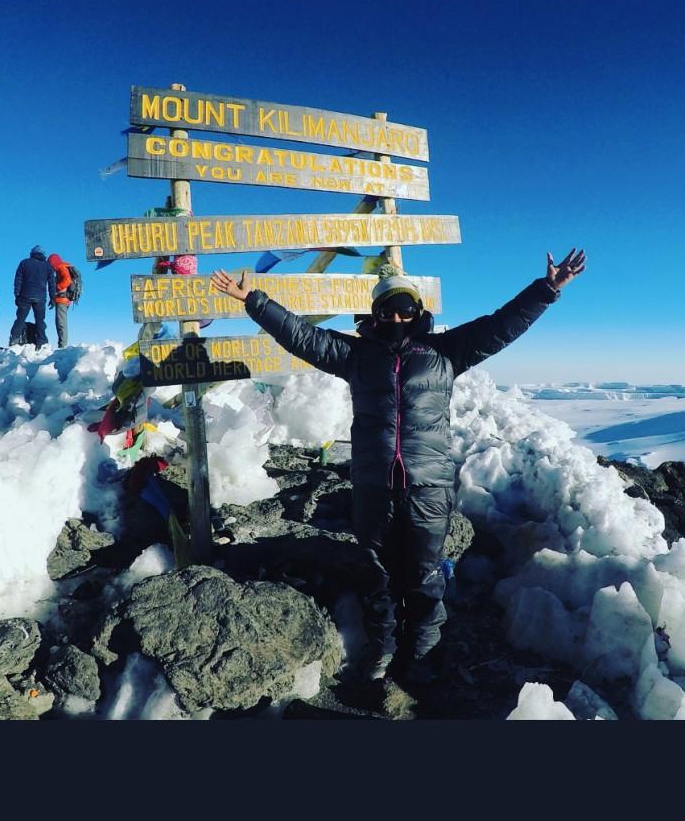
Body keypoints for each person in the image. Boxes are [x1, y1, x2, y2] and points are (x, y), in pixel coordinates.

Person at [210, 248, 586, 686]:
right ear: (374, 312)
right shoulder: (355, 355)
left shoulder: (446, 352)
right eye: (388, 308)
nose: (397, 317)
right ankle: (383, 652)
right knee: (378, 577)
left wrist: (547, 289)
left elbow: (501, 325)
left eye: (405, 307)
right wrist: (253, 300)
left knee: (424, 578)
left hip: (428, 487)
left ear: (418, 311)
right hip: (373, 486)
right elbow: (301, 336)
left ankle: (421, 655)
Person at [9, 245, 56, 348]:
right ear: (43, 254)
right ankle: (42, 343)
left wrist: (17, 294)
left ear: (32, 253)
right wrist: (53, 298)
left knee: (20, 319)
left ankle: (14, 340)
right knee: (40, 320)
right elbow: (52, 284)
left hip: (25, 296)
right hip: (40, 298)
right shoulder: (47, 266)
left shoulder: (24, 263)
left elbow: (18, 280)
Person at [48, 252, 72, 349]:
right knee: (60, 323)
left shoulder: (61, 268)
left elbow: (67, 280)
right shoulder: (60, 268)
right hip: (61, 299)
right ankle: (62, 345)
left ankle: (62, 347)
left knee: (61, 323)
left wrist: (56, 287)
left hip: (62, 300)